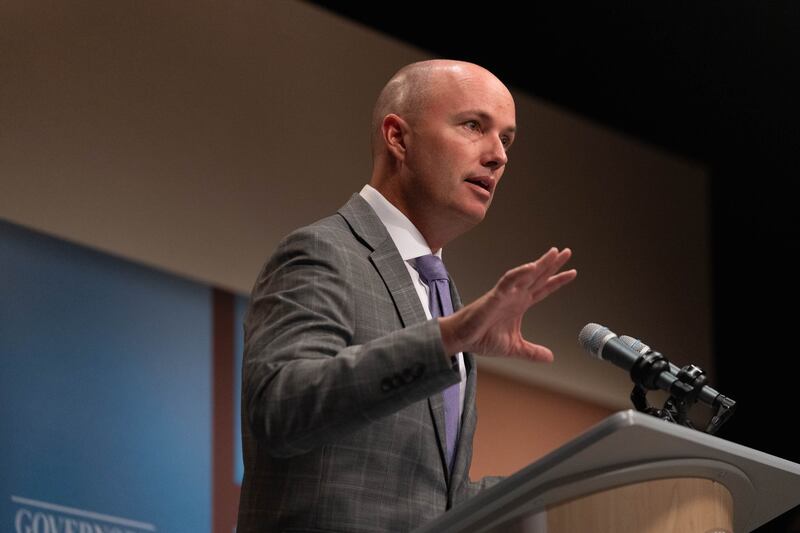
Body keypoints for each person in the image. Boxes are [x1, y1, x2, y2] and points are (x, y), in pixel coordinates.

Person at [236, 59, 577, 532]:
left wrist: (570, 492)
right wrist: (447, 337)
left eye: (506, 139)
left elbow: (429, 500)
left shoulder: (439, 292)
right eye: (474, 126)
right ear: (398, 137)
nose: (498, 155)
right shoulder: (323, 251)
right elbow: (280, 410)